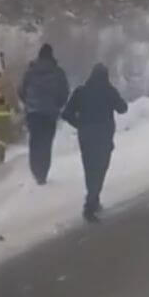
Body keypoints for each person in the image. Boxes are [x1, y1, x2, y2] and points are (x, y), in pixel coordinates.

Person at [61, 63, 129, 223]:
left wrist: (79, 124)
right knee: (100, 168)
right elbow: (123, 108)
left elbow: (66, 114)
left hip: (86, 136)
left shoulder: (81, 92)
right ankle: (90, 205)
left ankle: (93, 199)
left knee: (90, 168)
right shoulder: (109, 91)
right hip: (104, 136)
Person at [19, 44, 70, 185]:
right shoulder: (58, 72)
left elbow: (21, 91)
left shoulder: (29, 72)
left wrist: (29, 104)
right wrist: (57, 106)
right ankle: (43, 173)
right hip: (49, 114)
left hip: (33, 114)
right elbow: (64, 92)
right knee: (46, 144)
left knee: (35, 142)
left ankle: (36, 172)